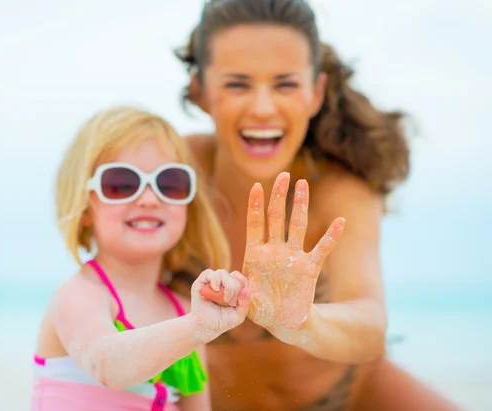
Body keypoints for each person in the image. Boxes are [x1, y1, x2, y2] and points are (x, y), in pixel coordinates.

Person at [171, 0, 460, 409]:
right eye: (237, 84)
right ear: (199, 90)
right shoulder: (168, 173)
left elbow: (369, 323)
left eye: (285, 84)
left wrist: (304, 321)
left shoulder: (339, 192)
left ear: (315, 93)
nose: (263, 108)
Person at [31, 106, 251, 411]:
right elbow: (107, 365)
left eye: (169, 183)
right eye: (121, 184)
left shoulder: (184, 312)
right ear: (83, 207)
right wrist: (196, 327)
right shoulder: (80, 296)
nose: (149, 198)